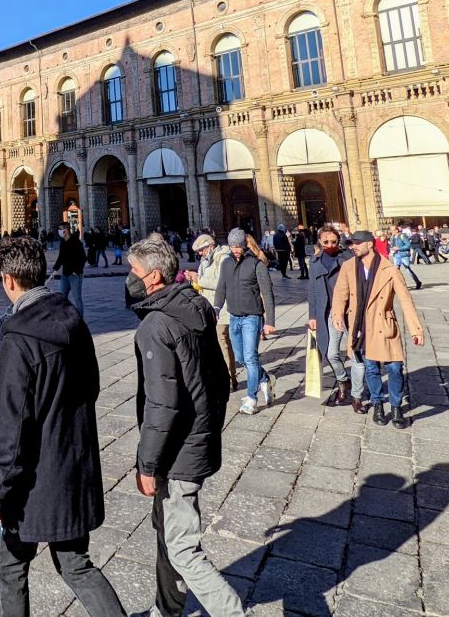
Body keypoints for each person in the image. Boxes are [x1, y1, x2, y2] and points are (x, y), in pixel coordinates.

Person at [0, 237, 125, 617]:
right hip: (75, 465)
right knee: (76, 564)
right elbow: (92, 386)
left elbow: (11, 431)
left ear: (9, 280)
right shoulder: (73, 320)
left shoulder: (20, 342)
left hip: (32, 482)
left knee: (10, 568)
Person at [124, 233, 245, 617]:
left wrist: (147, 464)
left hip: (178, 451)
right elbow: (218, 379)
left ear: (154, 277)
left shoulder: (155, 326)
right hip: (200, 438)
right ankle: (168, 609)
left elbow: (162, 404)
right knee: (168, 533)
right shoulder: (194, 305)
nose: (128, 277)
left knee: (182, 547)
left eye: (134, 271)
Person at [331, 230, 426, 428]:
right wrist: (338, 314)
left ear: (370, 245)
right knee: (371, 368)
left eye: (357, 243)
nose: (353, 247)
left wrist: (416, 329)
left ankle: (397, 406)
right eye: (351, 243)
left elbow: (405, 300)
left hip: (384, 324)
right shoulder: (348, 267)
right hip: (361, 326)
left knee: (394, 367)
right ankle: (377, 404)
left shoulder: (389, 269)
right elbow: (341, 293)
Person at [213, 228, 276, 415]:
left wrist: (270, 321)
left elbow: (267, 293)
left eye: (238, 246)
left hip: (252, 317)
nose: (235, 250)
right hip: (234, 317)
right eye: (232, 246)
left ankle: (251, 398)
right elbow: (221, 288)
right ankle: (264, 379)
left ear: (244, 245)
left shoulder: (257, 265)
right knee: (241, 358)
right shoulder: (225, 263)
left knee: (250, 357)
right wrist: (216, 308)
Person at [309, 226, 359, 408]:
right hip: (329, 312)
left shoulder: (348, 259)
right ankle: (343, 381)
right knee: (331, 354)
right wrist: (312, 315)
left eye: (334, 242)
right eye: (326, 242)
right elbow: (312, 290)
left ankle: (357, 394)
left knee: (355, 353)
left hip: (349, 311)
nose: (330, 245)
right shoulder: (315, 262)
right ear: (320, 242)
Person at [185, 233, 239, 392]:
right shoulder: (205, 260)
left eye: (201, 250)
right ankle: (222, 375)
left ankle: (230, 378)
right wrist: (194, 279)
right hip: (209, 308)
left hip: (222, 308)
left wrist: (198, 279)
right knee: (216, 343)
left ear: (210, 246)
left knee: (223, 342)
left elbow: (221, 282)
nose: (199, 254)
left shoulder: (222, 258)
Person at [49, 221, 86, 317]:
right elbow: (61, 257)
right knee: (62, 297)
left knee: (77, 298)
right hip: (65, 275)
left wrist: (76, 271)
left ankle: (80, 318)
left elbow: (83, 257)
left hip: (74, 275)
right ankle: (64, 317)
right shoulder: (62, 242)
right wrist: (55, 269)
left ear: (66, 230)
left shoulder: (76, 242)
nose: (59, 231)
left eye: (60, 229)